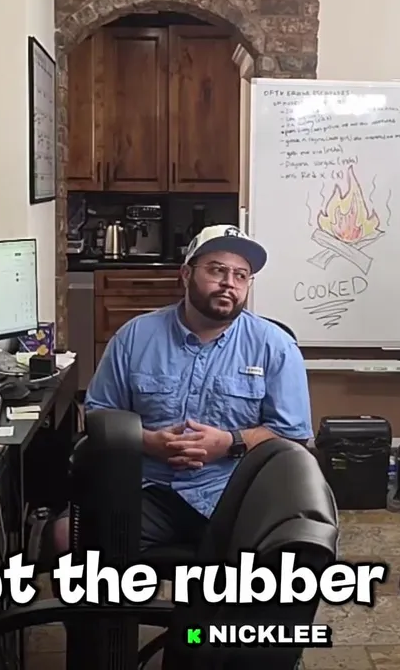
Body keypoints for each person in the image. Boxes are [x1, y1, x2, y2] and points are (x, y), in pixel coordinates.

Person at [51, 225, 312, 554]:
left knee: (275, 560)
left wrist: (230, 442)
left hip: (233, 492)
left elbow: (293, 433)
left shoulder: (275, 346)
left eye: (240, 275)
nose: (229, 283)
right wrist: (149, 442)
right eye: (216, 270)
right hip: (147, 488)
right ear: (186, 274)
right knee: (67, 537)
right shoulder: (135, 336)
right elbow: (99, 413)